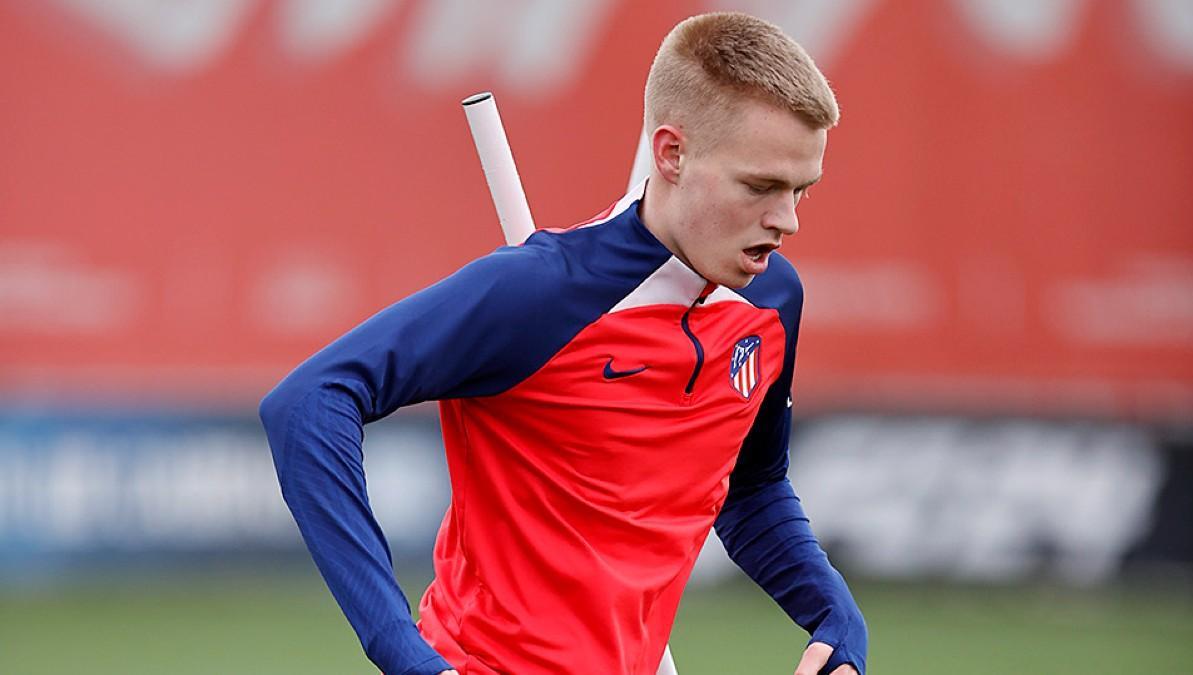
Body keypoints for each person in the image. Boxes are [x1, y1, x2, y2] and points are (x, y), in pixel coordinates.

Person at [260, 11, 867, 675]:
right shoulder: (541, 292)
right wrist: (404, 652)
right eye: (761, 187)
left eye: (801, 189)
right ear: (670, 154)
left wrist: (836, 615)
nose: (788, 220)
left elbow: (750, 490)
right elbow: (309, 401)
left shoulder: (771, 303)